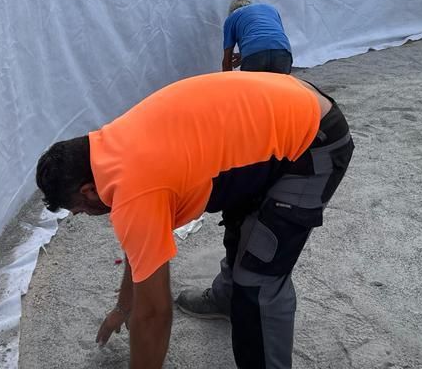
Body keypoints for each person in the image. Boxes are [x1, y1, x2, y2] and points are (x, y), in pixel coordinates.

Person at [36, 72, 354, 369]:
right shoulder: (112, 148)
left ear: (88, 191)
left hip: (313, 138)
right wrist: (123, 307)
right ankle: (228, 299)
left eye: (80, 209)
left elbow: (155, 314)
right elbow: (142, 247)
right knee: (241, 219)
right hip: (285, 104)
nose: (85, 215)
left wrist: (136, 317)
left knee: (260, 277)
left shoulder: (134, 189)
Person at [222, 0, 293, 74]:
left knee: (254, 82)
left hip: (254, 55)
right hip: (282, 51)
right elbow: (271, 39)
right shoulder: (270, 9)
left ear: (232, 11)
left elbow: (227, 61)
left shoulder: (232, 17)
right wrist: (243, 55)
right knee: (279, 82)